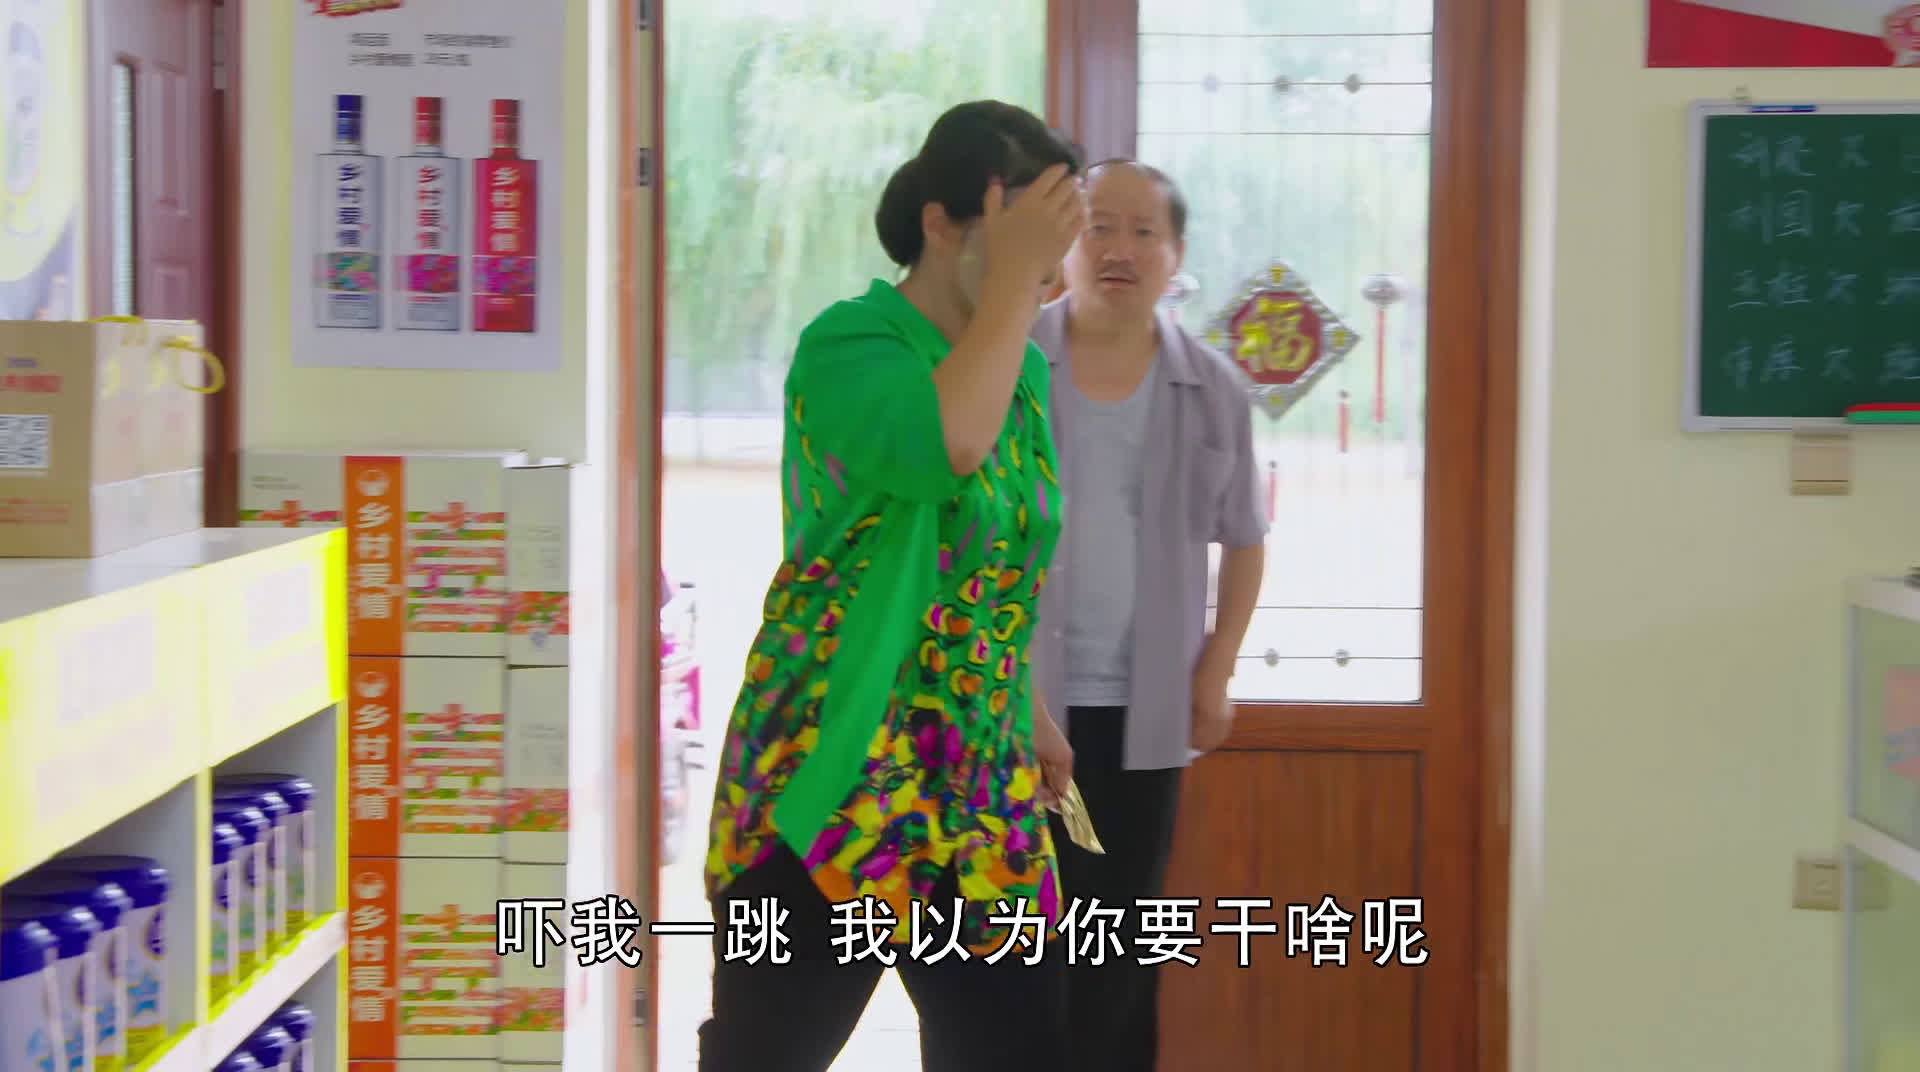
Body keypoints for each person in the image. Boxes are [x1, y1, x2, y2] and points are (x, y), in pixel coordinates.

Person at [698, 100, 1086, 1072]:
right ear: (940, 222)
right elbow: (945, 445)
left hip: (976, 775)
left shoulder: (1021, 375)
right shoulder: (850, 345)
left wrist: (1027, 708)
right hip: (838, 764)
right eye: (1025, 237)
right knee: (766, 1051)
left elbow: (990, 566)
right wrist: (1012, 291)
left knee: (1016, 1046)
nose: (1045, 273)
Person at [1028, 158, 1269, 1072]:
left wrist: (1218, 669)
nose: (1118, 249)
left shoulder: (1212, 387)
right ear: (1066, 242)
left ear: (1176, 254)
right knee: (1012, 947)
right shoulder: (1009, 364)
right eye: (1099, 226)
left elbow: (1244, 539)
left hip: (1146, 711)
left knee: (1121, 947)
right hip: (1020, 705)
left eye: (1142, 232)